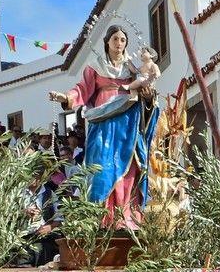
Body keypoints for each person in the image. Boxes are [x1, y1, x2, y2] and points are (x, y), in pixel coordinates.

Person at [47, 25, 160, 228]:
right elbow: (82, 89)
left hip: (127, 126)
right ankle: (103, 219)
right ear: (107, 41)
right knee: (102, 170)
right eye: (115, 39)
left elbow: (145, 96)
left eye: (123, 40)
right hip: (103, 125)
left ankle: (126, 219)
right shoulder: (95, 67)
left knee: (128, 169)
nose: (119, 43)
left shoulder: (132, 70)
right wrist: (67, 98)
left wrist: (150, 99)